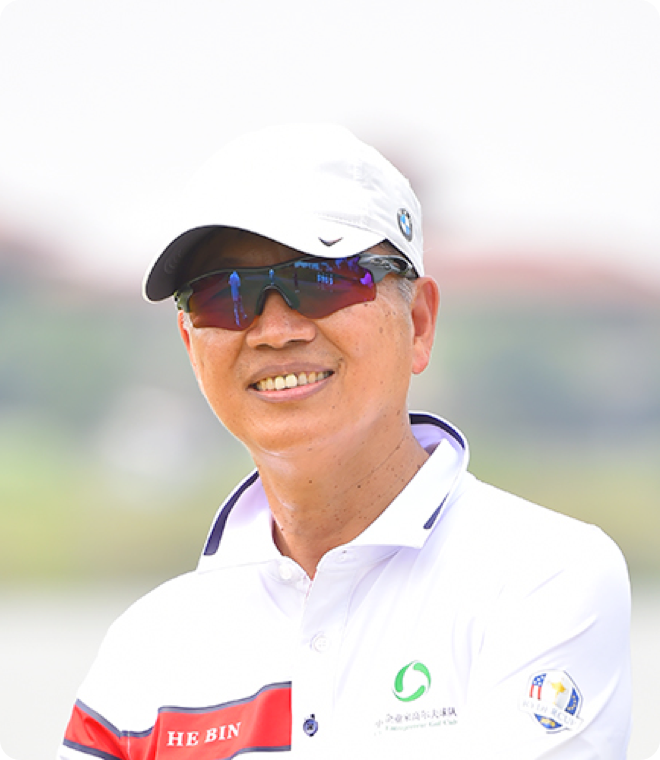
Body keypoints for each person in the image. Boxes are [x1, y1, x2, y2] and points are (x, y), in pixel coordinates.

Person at [58, 124, 631, 760]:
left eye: (322, 279)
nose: (275, 331)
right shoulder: (146, 646)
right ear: (192, 345)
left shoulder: (542, 575)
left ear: (418, 323)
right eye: (225, 295)